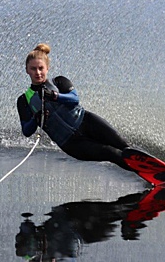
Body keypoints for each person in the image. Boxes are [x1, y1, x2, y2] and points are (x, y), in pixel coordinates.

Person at [16, 43, 134, 171]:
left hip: (86, 122)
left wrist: (56, 96)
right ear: (27, 70)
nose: (37, 72)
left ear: (47, 68)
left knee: (126, 147)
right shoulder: (24, 100)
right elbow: (26, 131)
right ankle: (150, 176)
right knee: (111, 153)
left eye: (41, 68)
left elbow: (74, 99)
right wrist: (36, 118)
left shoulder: (59, 82)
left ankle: (155, 171)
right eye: (33, 69)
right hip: (71, 143)